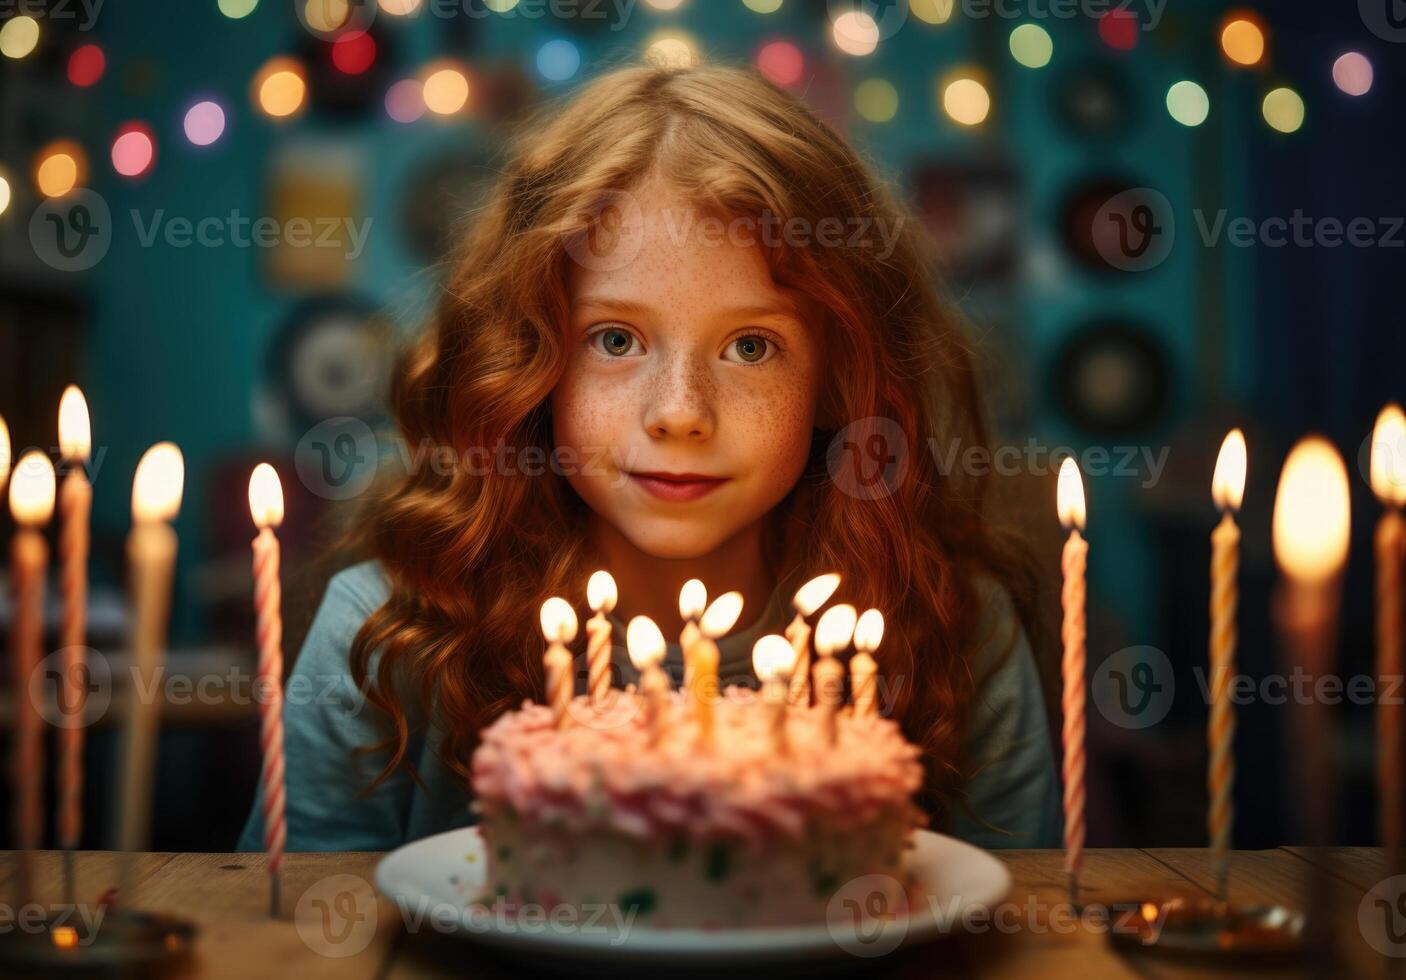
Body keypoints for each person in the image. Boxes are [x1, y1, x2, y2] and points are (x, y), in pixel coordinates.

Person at [240, 64, 1061, 854]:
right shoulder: (392, 631)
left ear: (841, 377)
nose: (679, 413)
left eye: (750, 345)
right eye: (616, 339)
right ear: (529, 359)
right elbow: (301, 929)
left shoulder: (951, 626)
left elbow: (1023, 924)